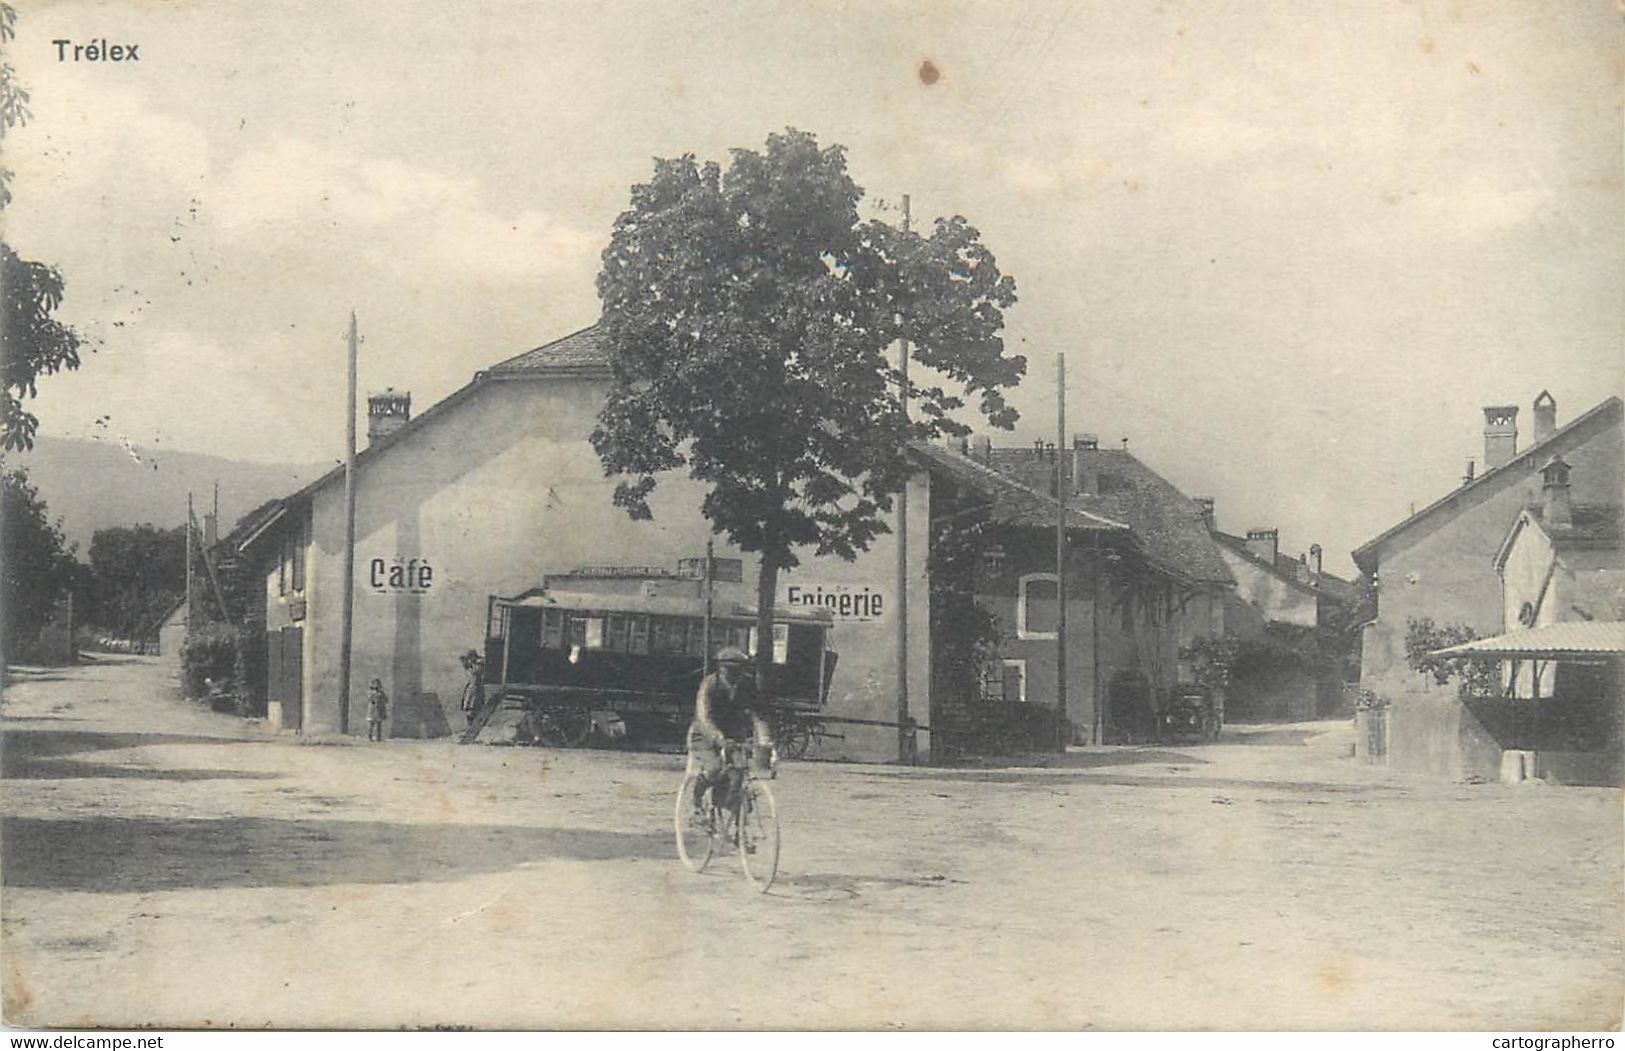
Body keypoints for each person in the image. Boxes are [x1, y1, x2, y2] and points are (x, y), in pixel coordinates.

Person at [689, 646, 772, 814]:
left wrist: (764, 740)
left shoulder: (748, 685)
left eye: (738, 672)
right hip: (704, 735)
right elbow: (704, 716)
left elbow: (759, 715)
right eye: (730, 672)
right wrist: (717, 736)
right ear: (720, 669)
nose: (734, 677)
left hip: (734, 735)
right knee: (715, 768)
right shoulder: (710, 684)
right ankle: (696, 797)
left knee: (739, 770)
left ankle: (730, 811)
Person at [458, 649, 485, 727]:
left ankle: (474, 723)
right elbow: (470, 672)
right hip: (472, 687)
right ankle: (470, 724)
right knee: (470, 707)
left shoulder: (479, 664)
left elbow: (477, 671)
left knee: (476, 707)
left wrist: (472, 664)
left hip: (477, 687)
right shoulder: (471, 666)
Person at [365, 678, 389, 742]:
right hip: (372, 710)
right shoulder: (370, 692)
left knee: (379, 724)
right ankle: (369, 737)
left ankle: (378, 737)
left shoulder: (381, 693)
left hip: (379, 710)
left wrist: (382, 700)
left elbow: (386, 700)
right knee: (371, 724)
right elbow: (370, 699)